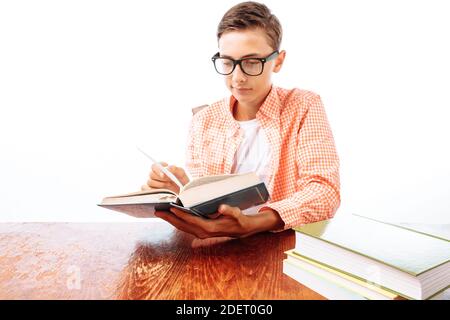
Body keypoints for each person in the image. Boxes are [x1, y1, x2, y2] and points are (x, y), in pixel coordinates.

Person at [141, 1, 340, 239]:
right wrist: (178, 191)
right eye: (227, 62)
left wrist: (254, 222)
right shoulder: (204, 120)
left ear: (278, 61)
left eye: (251, 62)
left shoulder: (303, 106)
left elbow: (324, 191)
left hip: (282, 251)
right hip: (216, 250)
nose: (237, 77)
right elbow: (207, 210)